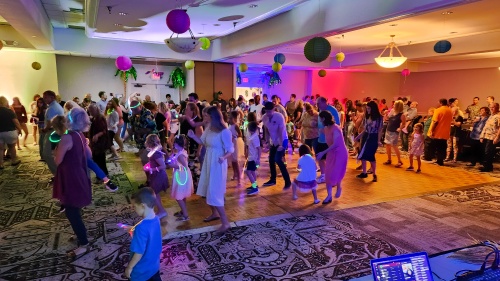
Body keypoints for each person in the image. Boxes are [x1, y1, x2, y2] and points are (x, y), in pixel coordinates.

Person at [53, 107, 92, 258]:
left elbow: (58, 160)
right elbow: (88, 155)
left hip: (70, 177)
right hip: (80, 174)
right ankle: (80, 233)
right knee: (75, 207)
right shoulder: (80, 135)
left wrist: (57, 149)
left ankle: (84, 244)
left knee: (71, 210)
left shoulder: (67, 137)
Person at [188, 106, 233, 234]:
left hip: (218, 162)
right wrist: (192, 136)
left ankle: (225, 223)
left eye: (206, 116)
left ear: (213, 116)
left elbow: (230, 150)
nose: (204, 118)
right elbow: (202, 141)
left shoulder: (224, 131)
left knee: (215, 191)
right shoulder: (209, 128)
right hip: (209, 160)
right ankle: (214, 213)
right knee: (207, 188)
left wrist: (223, 157)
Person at [124, 187, 162, 281]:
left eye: (134, 206)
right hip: (153, 266)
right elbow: (150, 235)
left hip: (141, 271)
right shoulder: (156, 219)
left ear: (142, 206)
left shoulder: (141, 228)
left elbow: (139, 252)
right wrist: (134, 230)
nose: (133, 209)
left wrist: (130, 267)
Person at [316, 110, 348, 201]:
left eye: (320, 119)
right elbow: (320, 130)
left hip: (340, 153)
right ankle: (329, 196)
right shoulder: (326, 128)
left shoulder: (336, 128)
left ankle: (339, 187)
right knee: (328, 173)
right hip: (331, 152)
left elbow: (335, 144)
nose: (320, 121)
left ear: (324, 118)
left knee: (337, 171)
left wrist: (323, 152)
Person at [262, 102, 291, 189]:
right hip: (273, 141)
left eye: (270, 112)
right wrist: (267, 142)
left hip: (282, 139)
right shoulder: (264, 117)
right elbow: (266, 130)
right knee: (271, 160)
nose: (268, 114)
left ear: (274, 110)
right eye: (267, 112)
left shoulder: (279, 117)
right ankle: (273, 179)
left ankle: (288, 181)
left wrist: (281, 145)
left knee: (278, 159)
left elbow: (281, 131)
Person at [356, 101, 383, 182]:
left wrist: (378, 140)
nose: (367, 110)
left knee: (371, 156)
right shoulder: (366, 116)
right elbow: (365, 129)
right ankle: (364, 172)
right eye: (367, 108)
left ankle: (374, 174)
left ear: (373, 108)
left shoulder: (379, 117)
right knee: (363, 154)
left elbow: (380, 130)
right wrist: (359, 136)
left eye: (369, 108)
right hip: (366, 136)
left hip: (373, 137)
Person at [143, 134, 169, 219]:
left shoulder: (156, 154)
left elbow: (163, 166)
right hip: (155, 176)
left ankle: (162, 211)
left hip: (159, 176)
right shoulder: (154, 152)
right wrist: (148, 165)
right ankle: (160, 210)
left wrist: (152, 169)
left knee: (154, 193)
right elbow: (153, 162)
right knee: (155, 193)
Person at [315, 96, 340, 183]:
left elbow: (337, 125)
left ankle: (332, 176)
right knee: (320, 157)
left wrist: (326, 130)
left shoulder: (332, 110)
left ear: (324, 102)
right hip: (320, 139)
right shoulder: (321, 110)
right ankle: (323, 175)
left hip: (329, 140)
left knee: (330, 159)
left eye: (318, 103)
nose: (317, 105)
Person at [169, 135, 193, 222]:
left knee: (178, 196)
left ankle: (186, 215)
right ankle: (183, 211)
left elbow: (185, 167)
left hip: (182, 176)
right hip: (181, 175)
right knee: (182, 195)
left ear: (178, 144)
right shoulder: (181, 152)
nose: (173, 144)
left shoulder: (180, 155)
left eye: (174, 142)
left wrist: (173, 165)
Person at [41, 90, 65, 175]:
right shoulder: (55, 106)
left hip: (53, 131)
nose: (44, 99)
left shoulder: (52, 108)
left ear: (52, 97)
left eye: (46, 97)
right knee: (54, 153)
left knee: (48, 154)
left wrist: (45, 129)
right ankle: (59, 173)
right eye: (44, 97)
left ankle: (58, 174)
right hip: (56, 131)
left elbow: (50, 123)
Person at [427, 99, 453, 166]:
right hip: (446, 131)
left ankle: (439, 161)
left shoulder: (438, 110)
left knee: (438, 147)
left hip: (438, 132)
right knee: (443, 147)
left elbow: (435, 121)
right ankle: (440, 160)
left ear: (441, 103)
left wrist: (432, 131)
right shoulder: (450, 110)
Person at [88, 104, 111, 178]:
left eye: (92, 110)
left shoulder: (100, 118)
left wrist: (97, 135)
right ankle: (102, 174)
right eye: (90, 111)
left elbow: (104, 130)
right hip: (97, 143)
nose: (90, 112)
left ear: (96, 109)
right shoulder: (95, 117)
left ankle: (103, 174)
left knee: (99, 159)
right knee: (98, 159)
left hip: (100, 142)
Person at [0, 96, 23, 168]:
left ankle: (1, 164)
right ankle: (13, 161)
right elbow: (16, 122)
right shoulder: (9, 111)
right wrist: (19, 129)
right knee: (12, 147)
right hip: (10, 132)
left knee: (0, 149)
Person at [479, 102, 500, 172]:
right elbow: (486, 127)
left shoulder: (498, 116)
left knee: (488, 152)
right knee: (486, 151)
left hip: (493, 137)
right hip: (486, 136)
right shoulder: (491, 116)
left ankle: (488, 167)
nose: (491, 108)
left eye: (493, 107)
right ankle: (487, 166)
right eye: (490, 107)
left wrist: (497, 137)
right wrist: (482, 136)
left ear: (497, 108)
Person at [384, 100, 406, 168]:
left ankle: (399, 161)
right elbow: (387, 119)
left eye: (394, 105)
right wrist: (386, 114)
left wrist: (400, 128)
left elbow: (404, 124)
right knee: (387, 145)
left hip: (394, 132)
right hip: (388, 130)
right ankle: (389, 159)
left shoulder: (402, 115)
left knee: (394, 145)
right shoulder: (392, 112)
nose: (393, 106)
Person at [228, 111, 244, 187]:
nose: (229, 120)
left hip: (235, 143)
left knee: (236, 161)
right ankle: (235, 174)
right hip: (231, 143)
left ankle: (239, 180)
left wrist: (234, 137)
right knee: (233, 162)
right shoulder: (230, 126)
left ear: (234, 119)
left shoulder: (235, 126)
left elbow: (240, 134)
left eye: (231, 118)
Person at [245, 122, 262, 196]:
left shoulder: (254, 138)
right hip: (251, 157)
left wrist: (258, 159)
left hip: (253, 158)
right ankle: (254, 185)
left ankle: (255, 188)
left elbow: (259, 149)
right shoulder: (253, 136)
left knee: (248, 172)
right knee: (252, 172)